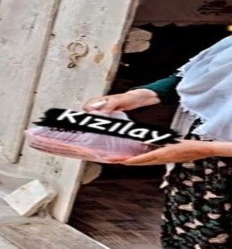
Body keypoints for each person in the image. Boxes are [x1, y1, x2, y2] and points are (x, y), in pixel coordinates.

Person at [83, 36, 232, 249]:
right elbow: (193, 79)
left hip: (210, 157)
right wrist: (136, 96)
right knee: (189, 235)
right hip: (198, 165)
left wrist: (207, 148)